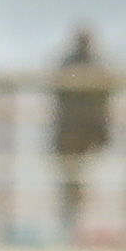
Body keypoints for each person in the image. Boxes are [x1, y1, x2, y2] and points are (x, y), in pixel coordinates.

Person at [51, 29, 109, 239]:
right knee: (77, 182)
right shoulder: (96, 67)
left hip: (69, 135)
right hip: (84, 135)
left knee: (71, 183)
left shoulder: (67, 65)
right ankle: (75, 228)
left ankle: (71, 228)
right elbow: (103, 100)